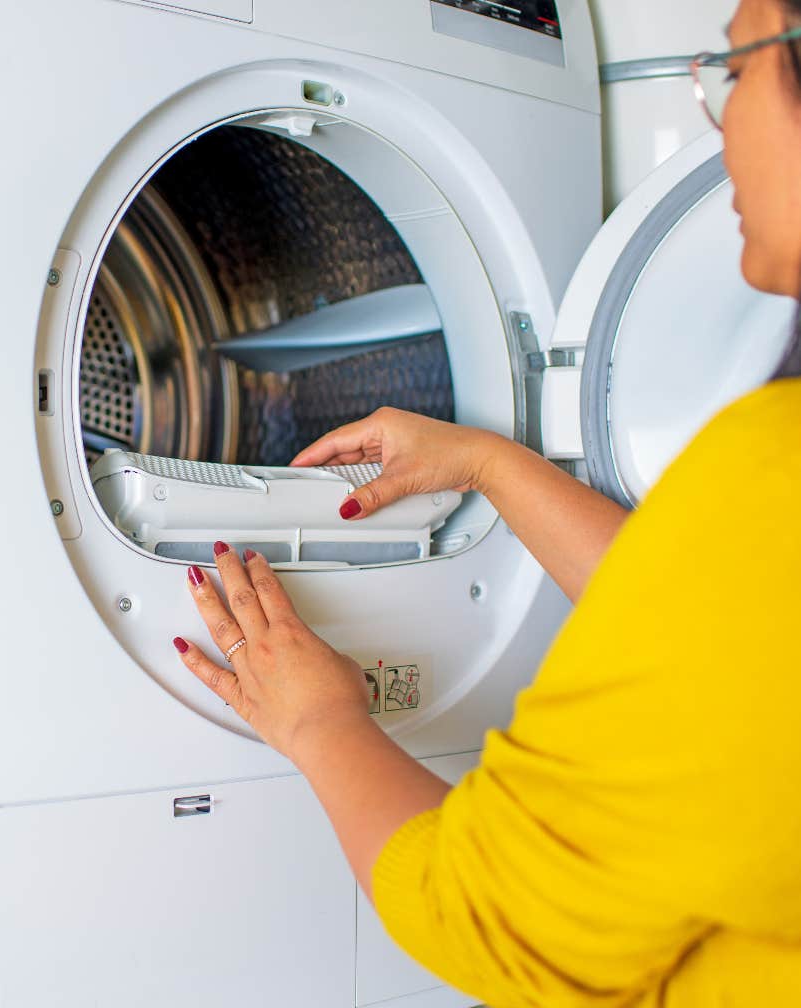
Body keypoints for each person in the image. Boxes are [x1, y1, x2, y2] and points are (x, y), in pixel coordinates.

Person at [171, 0, 801, 1002]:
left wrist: (320, 720)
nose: (717, 124)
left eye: (736, 72)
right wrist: (486, 466)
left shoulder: (769, 472)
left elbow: (488, 916)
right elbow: (728, 642)